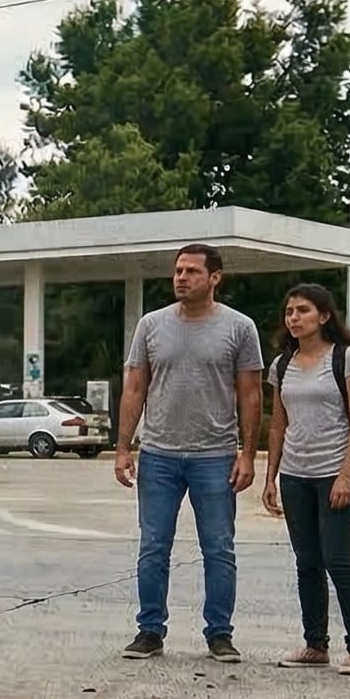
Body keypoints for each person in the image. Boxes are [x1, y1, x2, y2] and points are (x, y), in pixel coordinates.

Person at [113, 243, 264, 662]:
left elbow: (251, 394)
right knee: (153, 546)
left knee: (219, 548)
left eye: (192, 271)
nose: (181, 277)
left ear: (215, 278)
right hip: (158, 454)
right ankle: (149, 631)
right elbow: (135, 387)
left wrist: (248, 454)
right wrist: (123, 448)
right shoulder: (151, 325)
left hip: (215, 456)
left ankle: (219, 634)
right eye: (178, 271)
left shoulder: (239, 328)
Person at [261, 283, 350, 675]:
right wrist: (270, 477)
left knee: (339, 561)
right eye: (289, 311)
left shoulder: (347, 358)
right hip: (296, 475)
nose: (294, 317)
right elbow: (278, 425)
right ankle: (315, 645)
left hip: (337, 474)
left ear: (324, 316)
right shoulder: (282, 364)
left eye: (303, 310)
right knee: (307, 562)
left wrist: (346, 474)